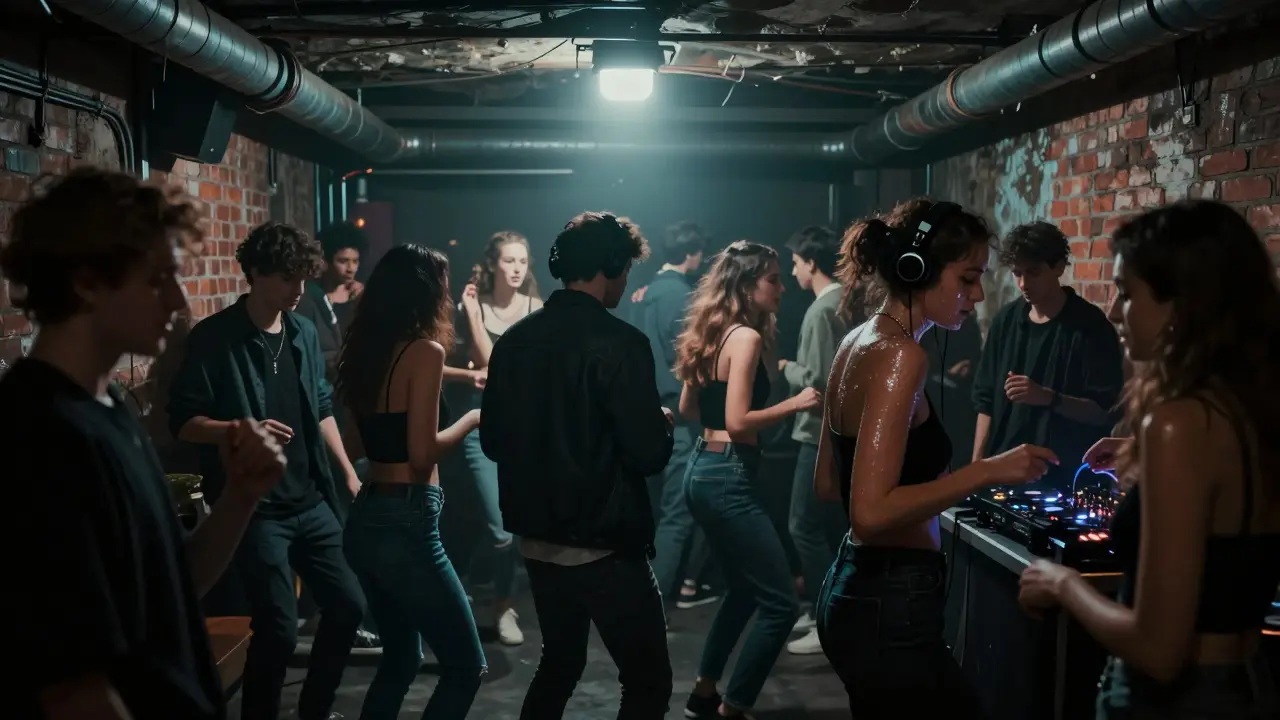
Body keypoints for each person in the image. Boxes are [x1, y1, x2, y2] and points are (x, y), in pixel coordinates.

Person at [1, 168, 286, 720]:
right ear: (86, 281)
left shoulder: (108, 408)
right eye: (158, 278)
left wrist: (242, 496)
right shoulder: (41, 435)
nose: (179, 299)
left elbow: (174, 586)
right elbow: (75, 692)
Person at [1018, 201, 1280, 718]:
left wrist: (1061, 583)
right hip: (1245, 683)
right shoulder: (1245, 409)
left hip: (1176, 699)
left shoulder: (1179, 422)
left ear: (1183, 304)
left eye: (1126, 294)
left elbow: (1159, 649)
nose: (1115, 313)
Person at [814, 199, 1057, 718]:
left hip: (857, 590)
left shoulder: (856, 342)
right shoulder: (904, 355)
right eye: (968, 278)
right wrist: (985, 471)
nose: (977, 294)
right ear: (916, 270)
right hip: (890, 600)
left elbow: (828, 483)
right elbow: (871, 512)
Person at [168, 222, 367, 720]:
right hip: (256, 509)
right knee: (278, 628)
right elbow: (184, 423)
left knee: (347, 607)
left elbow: (321, 406)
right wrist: (240, 427)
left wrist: (345, 470)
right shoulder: (215, 338)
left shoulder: (300, 329)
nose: (299, 290)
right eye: (287, 279)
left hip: (311, 498)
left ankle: (314, 711)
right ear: (255, 274)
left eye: (304, 278)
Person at [481, 211, 675, 719]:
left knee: (559, 664)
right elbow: (648, 454)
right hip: (604, 545)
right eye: (626, 267)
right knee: (648, 681)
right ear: (612, 264)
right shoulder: (622, 344)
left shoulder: (513, 343)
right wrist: (662, 423)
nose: (627, 279)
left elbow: (496, 443)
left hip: (540, 543)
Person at [673, 240, 822, 719]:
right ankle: (733, 707)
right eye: (772, 279)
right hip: (729, 471)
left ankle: (704, 690)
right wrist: (795, 403)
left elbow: (687, 410)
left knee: (742, 588)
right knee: (780, 605)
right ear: (746, 283)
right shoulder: (746, 339)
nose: (780, 287)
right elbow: (739, 422)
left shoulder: (712, 331)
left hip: (703, 466)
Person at [337, 244, 487, 719]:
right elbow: (421, 454)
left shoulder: (367, 352)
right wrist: (474, 420)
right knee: (465, 666)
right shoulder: (425, 352)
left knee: (401, 660)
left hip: (368, 514)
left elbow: (355, 442)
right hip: (408, 519)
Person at [972, 221, 1124, 493]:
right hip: (1003, 476)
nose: (1022, 283)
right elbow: (985, 402)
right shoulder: (1005, 321)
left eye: (1033, 272)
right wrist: (977, 468)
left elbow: (1104, 412)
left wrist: (1046, 397)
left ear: (1058, 267)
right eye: (1017, 273)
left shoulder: (1090, 327)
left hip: (1063, 481)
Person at [447, 229, 541, 646]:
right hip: (480, 429)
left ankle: (504, 606)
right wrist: (470, 313)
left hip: (524, 433)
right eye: (509, 260)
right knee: (498, 529)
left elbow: (498, 366)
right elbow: (482, 362)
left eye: (523, 261)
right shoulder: (473, 307)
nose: (518, 268)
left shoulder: (536, 308)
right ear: (493, 264)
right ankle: (468, 595)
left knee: (516, 527)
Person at [631, 220, 719, 610]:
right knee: (677, 513)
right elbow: (688, 360)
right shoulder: (681, 298)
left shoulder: (642, 296)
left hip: (643, 413)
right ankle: (653, 603)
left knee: (653, 511)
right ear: (692, 254)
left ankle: (659, 591)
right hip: (678, 417)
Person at [776, 225, 852, 655]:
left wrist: (785, 365)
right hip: (832, 435)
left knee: (802, 525)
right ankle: (827, 611)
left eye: (795, 262)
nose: (791, 270)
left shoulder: (823, 310)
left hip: (817, 435)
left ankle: (829, 621)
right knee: (825, 526)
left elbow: (818, 384)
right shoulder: (839, 302)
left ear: (811, 263)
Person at [295, 221, 369, 381]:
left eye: (355, 261)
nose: (351, 268)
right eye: (343, 261)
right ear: (326, 262)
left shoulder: (360, 295)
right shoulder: (308, 297)